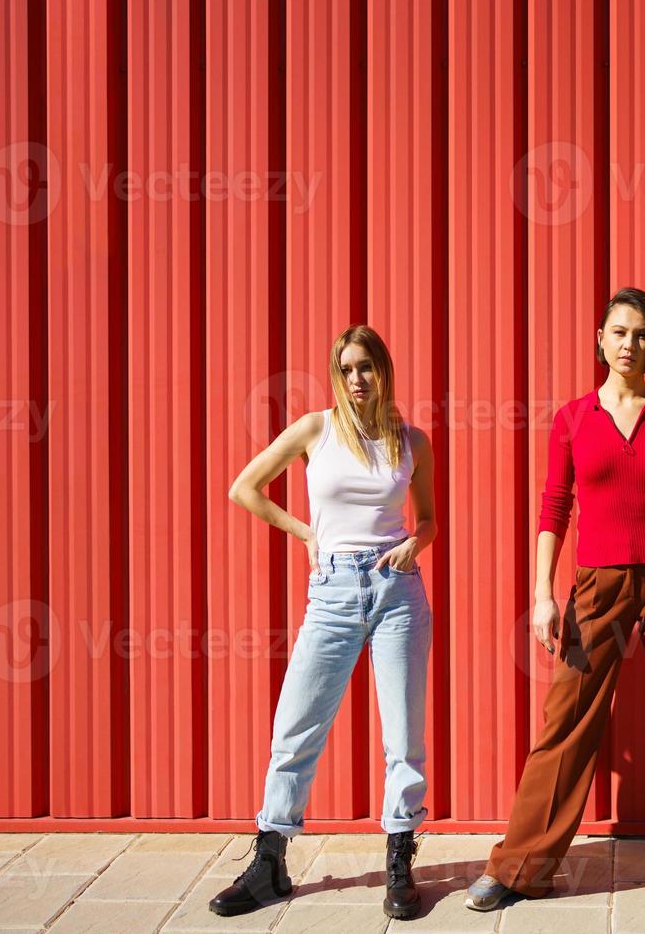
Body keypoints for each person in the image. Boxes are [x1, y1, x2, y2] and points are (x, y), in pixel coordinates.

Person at [465, 287, 645, 918]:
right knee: (567, 721)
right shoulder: (572, 418)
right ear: (600, 340)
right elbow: (555, 507)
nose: (629, 345)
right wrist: (541, 593)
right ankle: (521, 865)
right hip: (598, 583)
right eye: (618, 332)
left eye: (641, 335)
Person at [210, 325, 437, 921]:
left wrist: (416, 543)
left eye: (366, 367)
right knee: (296, 725)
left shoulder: (412, 440)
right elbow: (245, 487)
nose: (357, 379)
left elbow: (430, 520)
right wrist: (306, 533)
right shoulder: (316, 429)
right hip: (333, 591)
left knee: (403, 735)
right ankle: (270, 859)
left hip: (396, 594)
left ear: (383, 370)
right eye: (346, 369)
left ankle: (398, 857)